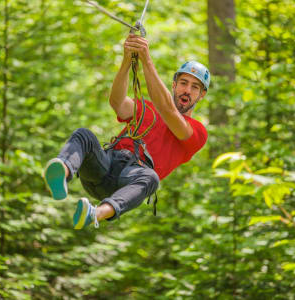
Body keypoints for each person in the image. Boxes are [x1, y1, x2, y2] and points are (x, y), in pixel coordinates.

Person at [43, 34, 210, 229]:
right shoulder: (146, 108)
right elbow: (118, 103)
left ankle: (95, 213)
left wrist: (146, 59)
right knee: (83, 135)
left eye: (195, 87)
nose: (187, 90)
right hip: (105, 165)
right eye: (183, 83)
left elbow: (168, 110)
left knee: (151, 178)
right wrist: (126, 60)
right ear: (174, 85)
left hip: (130, 179)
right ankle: (61, 173)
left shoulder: (197, 132)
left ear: (202, 95)